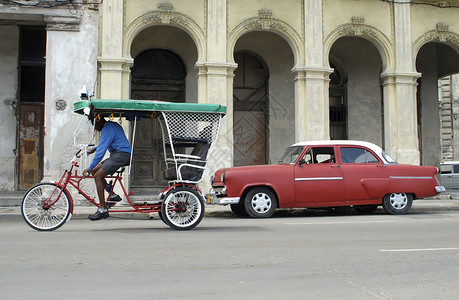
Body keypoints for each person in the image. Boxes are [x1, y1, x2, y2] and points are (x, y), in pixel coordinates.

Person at [83, 116, 131, 221]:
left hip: (121, 155)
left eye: (95, 125)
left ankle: (102, 209)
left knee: (97, 175)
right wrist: (95, 149)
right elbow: (106, 143)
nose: (95, 128)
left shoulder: (107, 129)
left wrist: (90, 167)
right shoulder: (110, 126)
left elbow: (102, 150)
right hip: (117, 154)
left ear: (99, 122)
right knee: (95, 171)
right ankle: (113, 195)